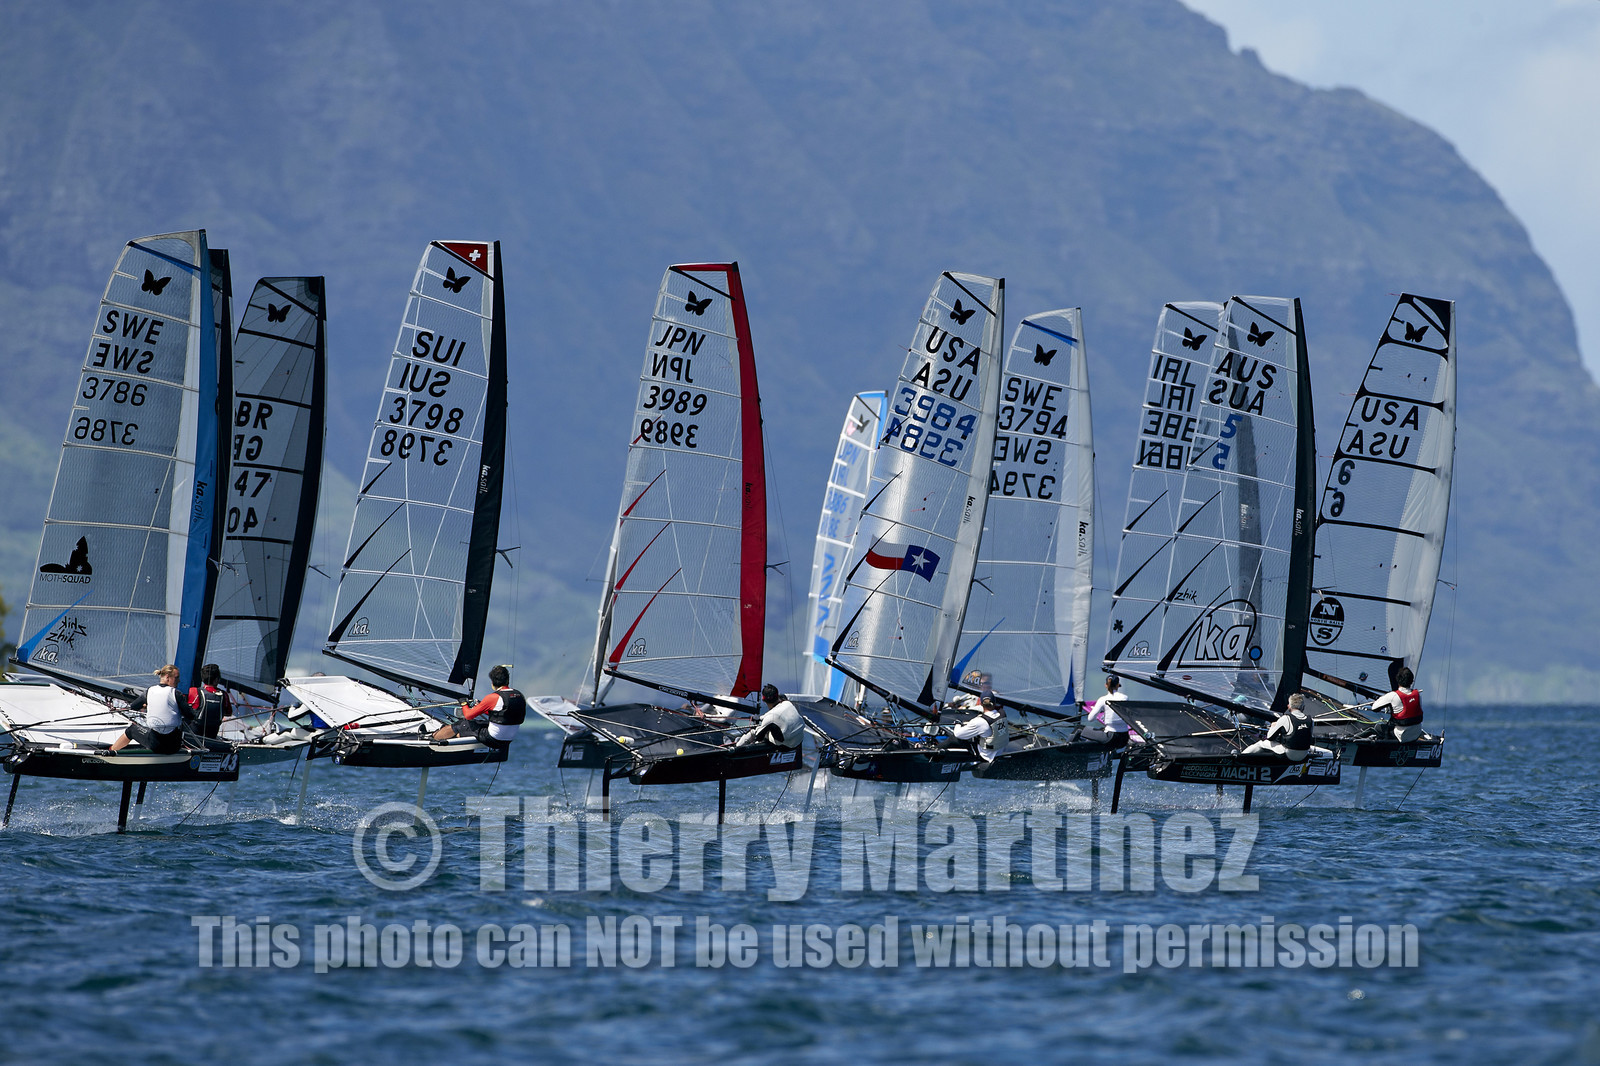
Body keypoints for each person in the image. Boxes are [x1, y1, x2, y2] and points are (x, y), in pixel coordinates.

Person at [430, 665, 524, 751]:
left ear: (492, 683)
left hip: (494, 739)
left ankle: (433, 738)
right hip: (508, 739)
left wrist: (463, 703)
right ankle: (456, 736)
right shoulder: (519, 695)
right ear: (507, 680)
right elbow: (503, 714)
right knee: (477, 724)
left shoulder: (493, 697)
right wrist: (481, 708)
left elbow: (468, 716)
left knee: (462, 724)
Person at [108, 664, 189, 754]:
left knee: (131, 730)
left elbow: (133, 707)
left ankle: (110, 752)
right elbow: (190, 715)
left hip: (155, 745)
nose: (179, 680)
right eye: (176, 677)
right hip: (174, 747)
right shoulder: (177, 694)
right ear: (167, 677)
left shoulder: (149, 691)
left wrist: (118, 709)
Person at [1241, 693, 1313, 762]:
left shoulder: (1285, 718)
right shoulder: (1310, 720)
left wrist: (1273, 726)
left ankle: (1240, 757)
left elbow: (1270, 737)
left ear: (1289, 706)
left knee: (1261, 743)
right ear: (1303, 707)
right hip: (1304, 755)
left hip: (1288, 755)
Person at [735, 684, 804, 749]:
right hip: (799, 739)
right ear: (777, 695)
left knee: (754, 731)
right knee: (772, 726)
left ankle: (737, 747)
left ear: (763, 699)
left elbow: (758, 737)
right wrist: (761, 718)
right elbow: (776, 712)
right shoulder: (788, 703)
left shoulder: (770, 717)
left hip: (787, 745)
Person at [943, 696, 1009, 762]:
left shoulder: (981, 721)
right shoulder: (1002, 714)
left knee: (955, 739)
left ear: (981, 704)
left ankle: (936, 751)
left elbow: (958, 734)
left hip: (985, 756)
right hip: (998, 751)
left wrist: (958, 723)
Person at [1370, 667, 1424, 742]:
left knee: (1378, 727)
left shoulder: (1393, 695)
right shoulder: (1418, 695)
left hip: (1401, 736)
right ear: (1411, 681)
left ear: (1397, 680)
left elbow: (1374, 708)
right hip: (1416, 734)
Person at [1078, 675, 1131, 747]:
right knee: (1101, 730)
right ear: (1118, 685)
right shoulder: (1125, 698)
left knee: (1079, 729)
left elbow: (1090, 719)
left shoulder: (1103, 699)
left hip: (1111, 738)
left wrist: (1099, 711)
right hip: (1124, 738)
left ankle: (1064, 751)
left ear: (1106, 685)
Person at [187, 663, 231, 740]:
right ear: (217, 679)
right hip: (212, 735)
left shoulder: (193, 691)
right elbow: (229, 713)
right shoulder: (224, 695)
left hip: (194, 735)